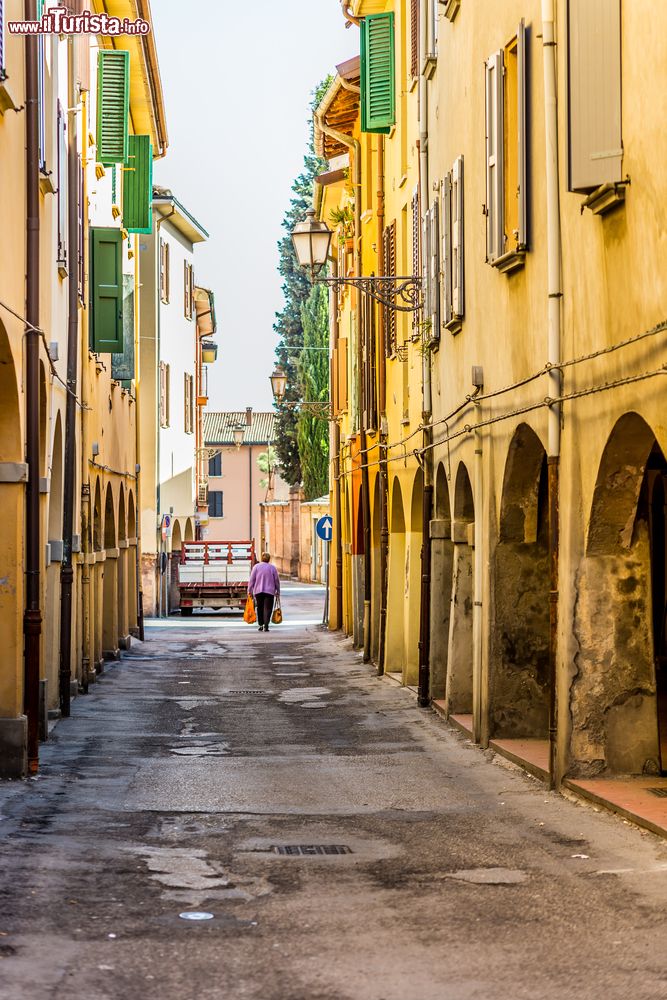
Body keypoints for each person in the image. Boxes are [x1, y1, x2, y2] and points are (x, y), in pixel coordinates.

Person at [248, 552, 280, 632]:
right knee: (268, 608)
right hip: (269, 592)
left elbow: (251, 580)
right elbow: (276, 581)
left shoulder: (256, 567)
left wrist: (250, 591)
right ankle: (266, 625)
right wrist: (278, 591)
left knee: (260, 608)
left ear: (262, 558)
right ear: (269, 559)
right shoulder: (272, 568)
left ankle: (261, 625)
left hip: (258, 592)